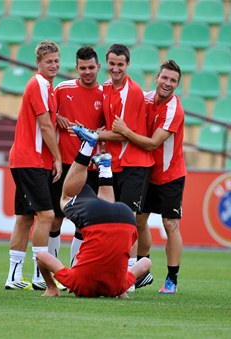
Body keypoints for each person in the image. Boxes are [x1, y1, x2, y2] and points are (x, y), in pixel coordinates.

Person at [36, 127, 151, 298]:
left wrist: (122, 288)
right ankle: (99, 162)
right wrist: (52, 285)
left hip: (126, 218)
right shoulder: (76, 283)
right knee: (68, 200)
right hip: (108, 217)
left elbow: (146, 263)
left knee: (67, 198)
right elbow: (42, 256)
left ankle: (91, 150)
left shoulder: (116, 287)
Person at [111, 60, 186, 294]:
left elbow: (154, 142)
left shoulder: (174, 109)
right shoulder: (144, 98)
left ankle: (172, 279)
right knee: (139, 221)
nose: (168, 83)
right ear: (157, 78)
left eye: (173, 80)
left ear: (177, 84)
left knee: (169, 224)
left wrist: (124, 131)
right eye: (165, 78)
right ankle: (143, 270)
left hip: (170, 174)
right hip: (145, 171)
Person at [92, 44, 154, 287]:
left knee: (129, 218)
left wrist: (95, 135)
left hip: (134, 163)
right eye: (112, 64)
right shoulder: (106, 87)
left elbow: (122, 133)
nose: (115, 68)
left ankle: (128, 274)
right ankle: (132, 270)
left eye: (120, 64)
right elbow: (110, 125)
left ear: (128, 65)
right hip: (115, 163)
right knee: (118, 218)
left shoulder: (132, 92)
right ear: (106, 64)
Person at [5, 40, 62, 291]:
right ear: (38, 63)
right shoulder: (39, 83)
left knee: (25, 218)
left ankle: (14, 277)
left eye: (57, 61)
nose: (54, 65)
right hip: (31, 159)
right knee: (47, 215)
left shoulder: (46, 86)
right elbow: (45, 125)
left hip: (24, 159)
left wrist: (59, 117)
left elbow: (47, 118)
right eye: (49, 61)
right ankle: (41, 275)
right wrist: (58, 157)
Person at [50, 46, 104, 269]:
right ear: (76, 68)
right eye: (83, 68)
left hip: (89, 166)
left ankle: (75, 270)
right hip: (63, 164)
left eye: (91, 67)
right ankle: (50, 270)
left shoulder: (104, 93)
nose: (87, 72)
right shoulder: (62, 89)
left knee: (84, 222)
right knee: (55, 217)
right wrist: (58, 116)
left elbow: (109, 126)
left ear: (98, 67)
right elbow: (45, 113)